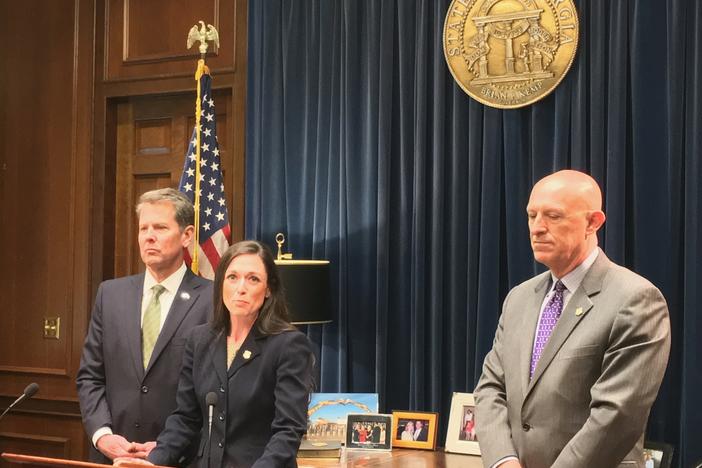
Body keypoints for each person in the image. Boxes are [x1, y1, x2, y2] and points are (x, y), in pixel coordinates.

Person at [474, 170, 671, 468]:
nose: (537, 228)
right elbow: (490, 388)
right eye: (531, 215)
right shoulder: (519, 298)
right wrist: (503, 461)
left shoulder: (636, 299)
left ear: (593, 223)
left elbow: (616, 415)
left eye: (553, 216)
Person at [117, 240, 315, 467]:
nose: (241, 288)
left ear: (268, 289)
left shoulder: (289, 345)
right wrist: (154, 462)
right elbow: (186, 419)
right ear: (221, 283)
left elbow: (288, 430)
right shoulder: (199, 340)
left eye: (253, 279)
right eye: (232, 277)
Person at [76, 188, 212, 463]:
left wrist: (167, 447)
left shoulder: (212, 299)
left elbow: (214, 390)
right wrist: (102, 435)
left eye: (160, 227)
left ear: (187, 236)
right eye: (143, 228)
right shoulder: (110, 294)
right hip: (112, 456)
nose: (149, 236)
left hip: (180, 458)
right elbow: (90, 376)